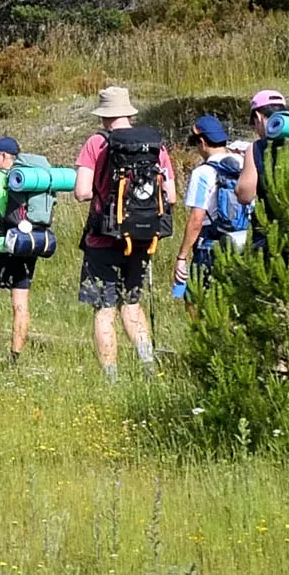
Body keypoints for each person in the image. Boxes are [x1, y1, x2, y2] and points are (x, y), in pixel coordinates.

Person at [73, 87, 175, 382]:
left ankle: (111, 379)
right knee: (131, 305)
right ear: (129, 113)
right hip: (142, 238)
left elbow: (81, 191)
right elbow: (170, 197)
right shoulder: (155, 145)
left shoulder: (96, 143)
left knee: (104, 310)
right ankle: (148, 367)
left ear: (105, 116)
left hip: (102, 240)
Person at [0, 136, 42, 364]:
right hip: (27, 245)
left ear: (3, 156)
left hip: (1, 247)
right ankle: (15, 356)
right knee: (20, 303)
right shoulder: (30, 178)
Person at [174, 116, 247, 304]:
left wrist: (182, 256)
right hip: (242, 240)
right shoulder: (243, 163)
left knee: (195, 300)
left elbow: (196, 219)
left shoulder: (203, 172)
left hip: (210, 244)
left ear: (203, 142)